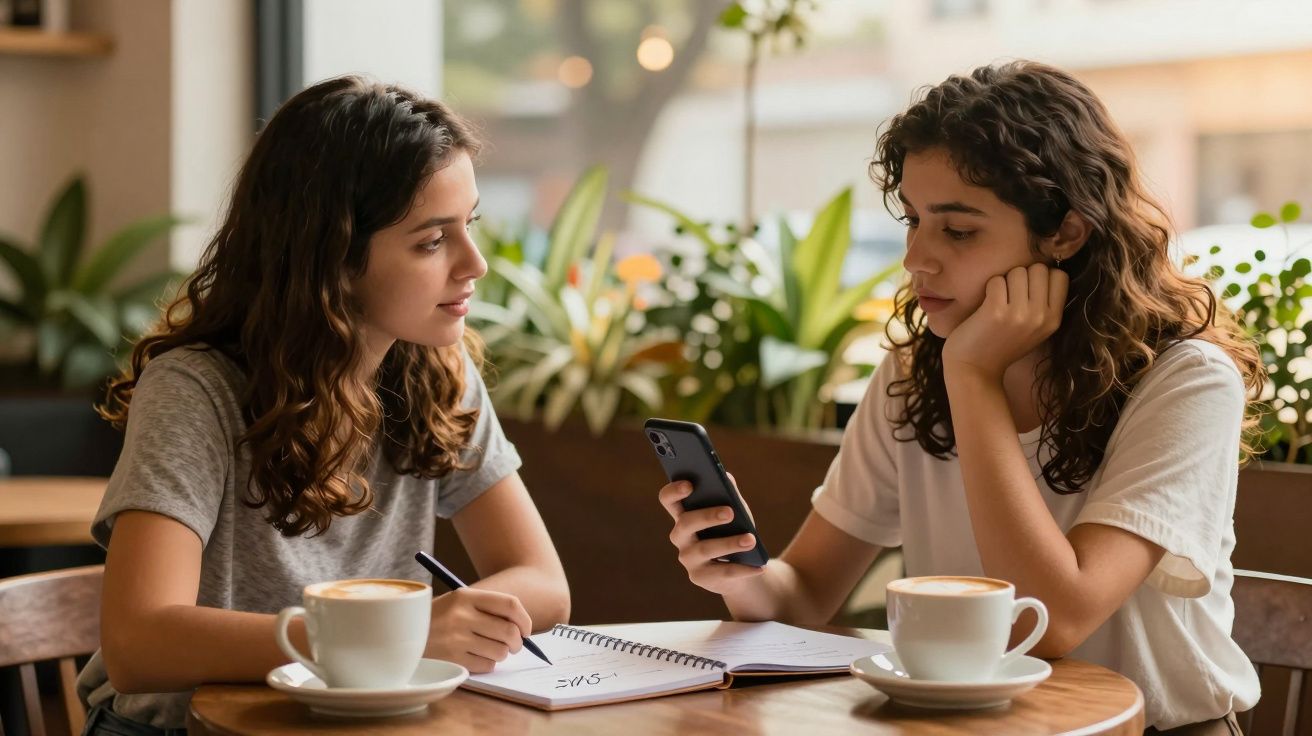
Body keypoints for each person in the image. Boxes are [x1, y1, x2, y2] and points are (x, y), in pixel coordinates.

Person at [658, 61, 1260, 734]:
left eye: (959, 229)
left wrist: (972, 378)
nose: (917, 257)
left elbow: (1055, 619)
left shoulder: (1186, 380)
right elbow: (802, 596)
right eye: (914, 219)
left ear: (1065, 231)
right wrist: (738, 571)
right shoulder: (911, 374)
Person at [76, 76, 570, 735]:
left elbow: (543, 582)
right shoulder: (196, 391)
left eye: (469, 225)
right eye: (431, 241)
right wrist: (392, 635)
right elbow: (140, 645)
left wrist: (447, 625)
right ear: (332, 260)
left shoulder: (435, 371)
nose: (473, 263)